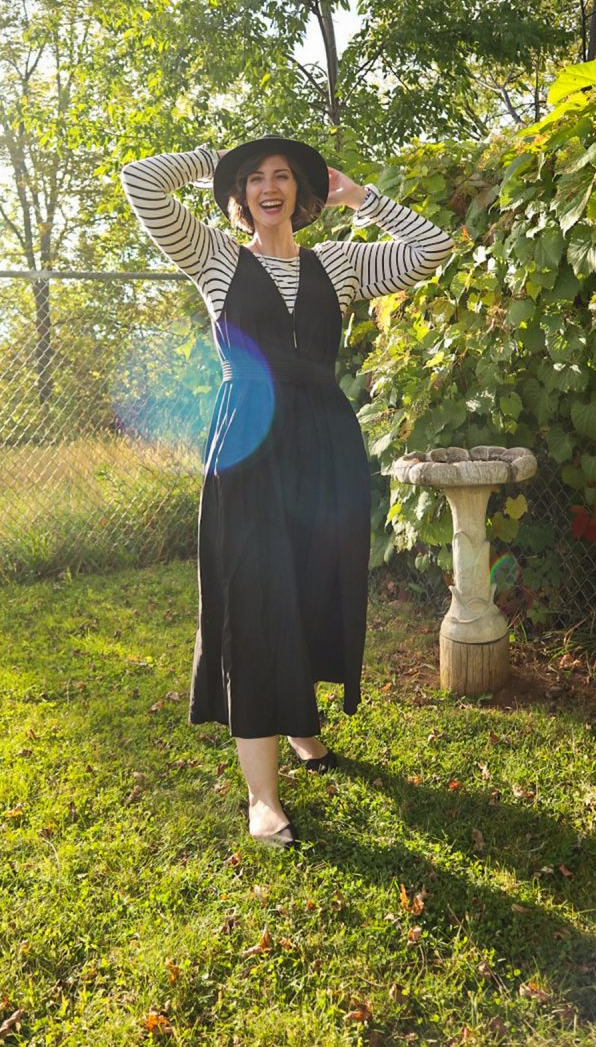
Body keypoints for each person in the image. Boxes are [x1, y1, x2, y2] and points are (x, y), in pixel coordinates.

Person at [121, 135, 454, 847]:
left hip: (325, 445)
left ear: (304, 194)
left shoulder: (338, 263)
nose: (269, 188)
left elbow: (432, 247)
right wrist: (209, 158)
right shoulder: (214, 256)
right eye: (254, 179)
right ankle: (263, 797)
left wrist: (363, 198)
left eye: (283, 177)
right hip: (249, 444)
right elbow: (142, 180)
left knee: (309, 585)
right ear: (239, 196)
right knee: (257, 600)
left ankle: (303, 726)